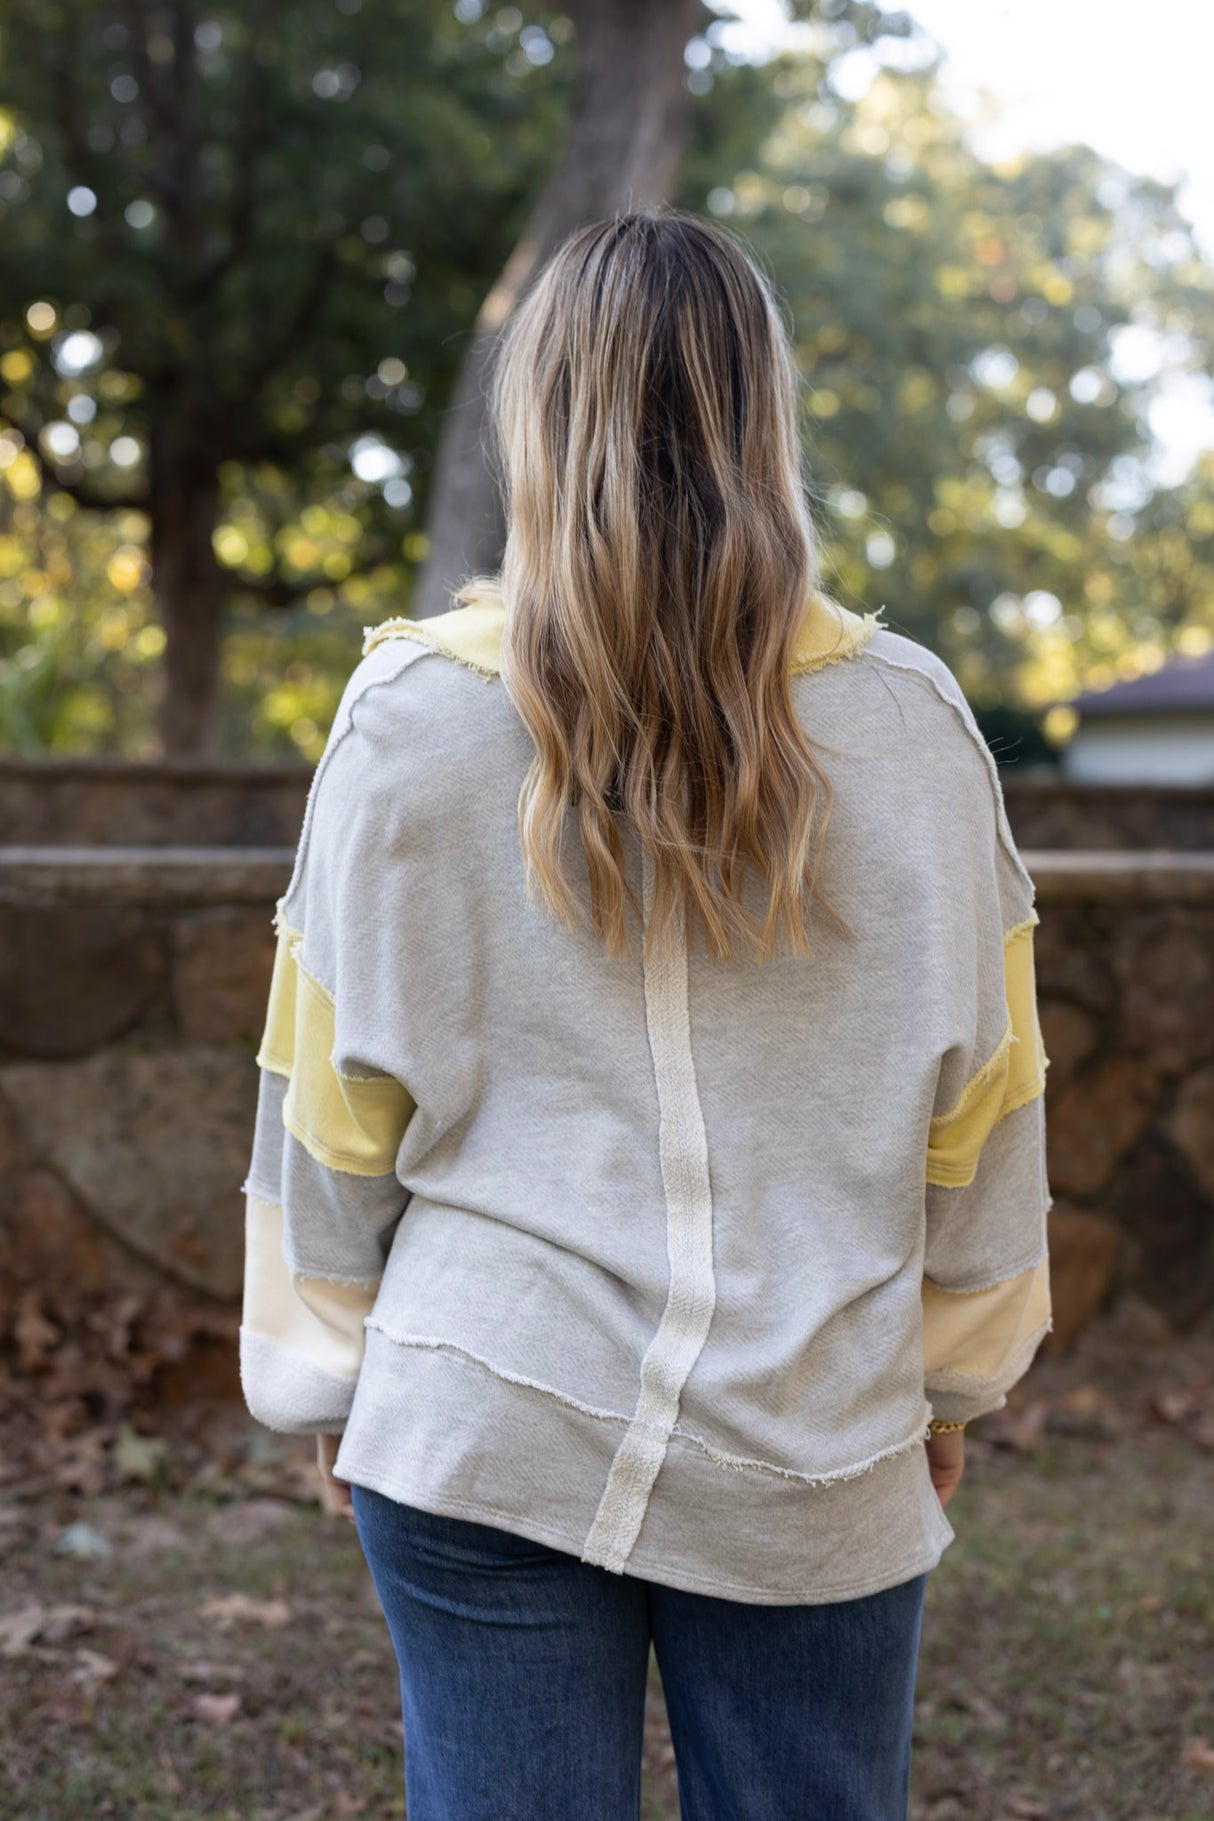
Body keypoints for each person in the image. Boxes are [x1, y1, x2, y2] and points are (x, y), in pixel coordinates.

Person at [238, 209, 1053, 1821]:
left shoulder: (412, 717)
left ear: (534, 417)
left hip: (481, 1403)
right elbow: (987, 1095)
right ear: (764, 413)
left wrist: (326, 1368)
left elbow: (326, 1090)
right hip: (813, 1420)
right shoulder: (910, 724)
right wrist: (949, 1377)